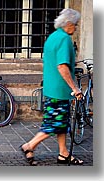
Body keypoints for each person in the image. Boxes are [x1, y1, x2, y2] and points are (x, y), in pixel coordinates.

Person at [20, 8, 84, 166]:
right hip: (60, 90)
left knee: (62, 123)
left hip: (52, 88)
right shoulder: (64, 39)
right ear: (68, 24)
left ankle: (63, 153)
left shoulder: (53, 37)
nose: (75, 28)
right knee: (54, 124)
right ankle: (29, 146)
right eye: (75, 24)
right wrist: (75, 88)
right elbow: (62, 66)